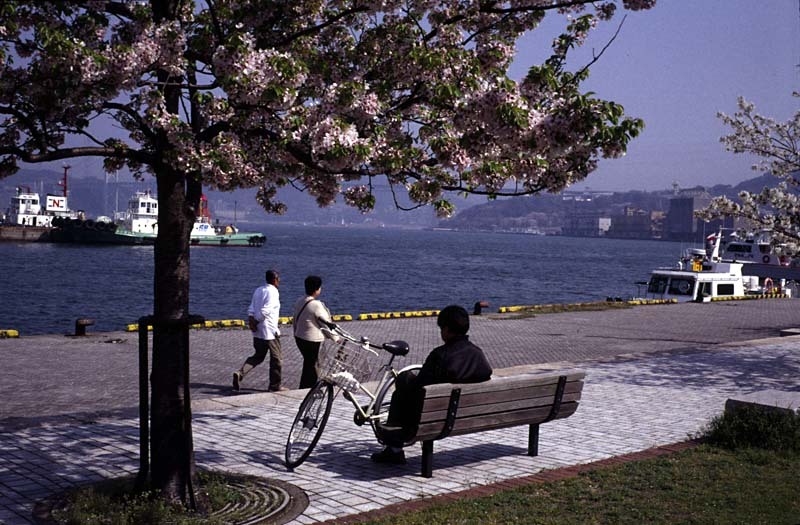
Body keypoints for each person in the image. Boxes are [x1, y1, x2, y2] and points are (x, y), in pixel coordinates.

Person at [371, 304, 492, 465]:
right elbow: (486, 373)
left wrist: (405, 379)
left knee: (403, 386)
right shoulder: (477, 353)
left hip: (432, 418)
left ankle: (394, 450)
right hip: (467, 416)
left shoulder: (440, 355)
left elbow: (419, 386)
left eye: (441, 328)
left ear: (446, 329)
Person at [233, 269, 285, 392]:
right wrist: (256, 322)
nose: (279, 281)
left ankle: (240, 373)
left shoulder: (258, 290)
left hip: (258, 332)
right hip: (269, 331)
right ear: (275, 280)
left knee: (258, 356)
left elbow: (251, 308)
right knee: (276, 359)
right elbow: (266, 311)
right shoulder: (273, 292)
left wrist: (252, 322)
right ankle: (274, 386)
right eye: (278, 279)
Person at [292, 275, 333, 389]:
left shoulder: (300, 301)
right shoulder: (316, 305)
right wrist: (335, 338)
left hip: (299, 338)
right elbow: (325, 324)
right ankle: (310, 389)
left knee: (308, 363)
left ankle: (304, 387)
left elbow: (294, 319)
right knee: (313, 365)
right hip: (312, 340)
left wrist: (295, 332)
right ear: (317, 289)